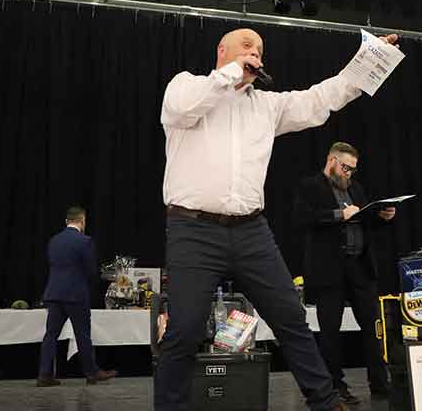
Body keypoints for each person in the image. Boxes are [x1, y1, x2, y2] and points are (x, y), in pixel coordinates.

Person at [155, 27, 399, 411]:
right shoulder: (185, 86)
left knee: (291, 318)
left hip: (251, 231)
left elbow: (322, 98)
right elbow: (183, 108)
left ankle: (325, 401)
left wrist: (369, 61)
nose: (256, 53)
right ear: (222, 50)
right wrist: (233, 74)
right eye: (247, 46)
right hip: (194, 229)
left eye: (259, 50)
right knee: (184, 330)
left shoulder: (267, 107)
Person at [295, 142, 395, 405]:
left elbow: (365, 221)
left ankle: (380, 382)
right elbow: (304, 218)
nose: (349, 173)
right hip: (329, 270)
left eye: (352, 169)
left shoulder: (355, 188)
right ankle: (335, 386)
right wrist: (340, 214)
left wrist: (382, 217)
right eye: (345, 168)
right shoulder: (310, 186)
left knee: (372, 326)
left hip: (360, 267)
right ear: (332, 161)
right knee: (330, 330)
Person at [37, 206, 117, 387]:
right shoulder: (85, 241)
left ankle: (44, 374)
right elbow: (90, 270)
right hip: (75, 295)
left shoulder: (54, 240)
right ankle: (91, 373)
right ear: (82, 221)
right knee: (83, 335)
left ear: (66, 221)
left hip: (54, 293)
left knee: (50, 335)